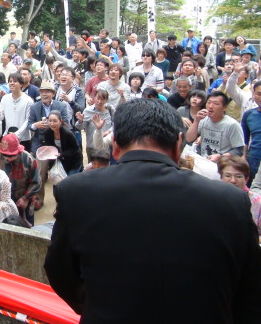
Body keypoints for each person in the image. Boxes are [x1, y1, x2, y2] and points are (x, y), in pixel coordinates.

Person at [45, 98, 261, 322]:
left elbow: (60, 271)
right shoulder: (230, 201)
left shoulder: (77, 192)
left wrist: (98, 303)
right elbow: (249, 292)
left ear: (115, 146)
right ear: (179, 144)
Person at [185, 91, 245, 162]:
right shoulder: (203, 120)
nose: (210, 106)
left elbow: (239, 150)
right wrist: (196, 121)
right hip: (204, 161)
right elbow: (189, 139)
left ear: (224, 108)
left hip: (223, 164)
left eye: (215, 104)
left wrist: (221, 157)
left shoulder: (232, 124)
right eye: (209, 102)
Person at [0, 134, 40, 226]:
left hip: (25, 200)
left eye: (10, 155)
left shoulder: (29, 160)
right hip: (5, 200)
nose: (6, 158)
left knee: (28, 226)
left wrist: (25, 198)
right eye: (4, 155)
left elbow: (36, 182)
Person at [217, 155, 261, 237]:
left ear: (247, 179)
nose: (233, 180)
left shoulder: (257, 203)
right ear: (221, 177)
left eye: (238, 176)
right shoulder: (213, 200)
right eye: (228, 176)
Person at [26, 81, 71, 154]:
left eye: (47, 92)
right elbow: (29, 125)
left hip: (57, 139)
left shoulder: (61, 106)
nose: (44, 94)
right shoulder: (34, 107)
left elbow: (66, 123)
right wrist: (36, 125)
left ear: (53, 94)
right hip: (40, 141)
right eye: (42, 92)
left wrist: (55, 124)